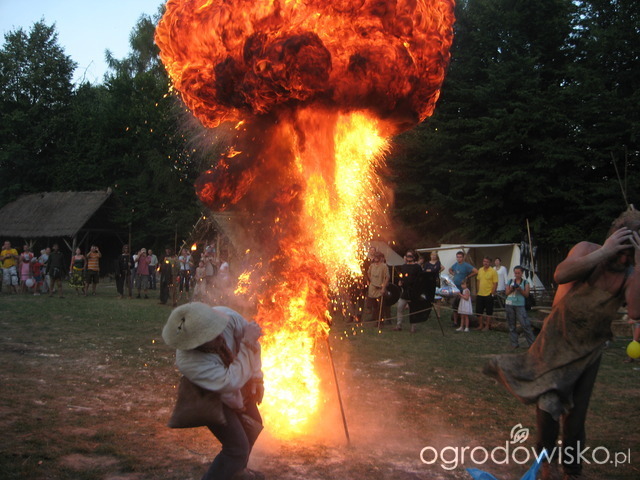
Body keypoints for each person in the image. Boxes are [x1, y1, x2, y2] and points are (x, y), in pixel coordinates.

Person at [485, 208, 640, 480]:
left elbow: (637, 310)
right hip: (556, 342)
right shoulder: (588, 250)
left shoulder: (630, 273)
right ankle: (546, 463)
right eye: (621, 251)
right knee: (548, 407)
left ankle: (572, 470)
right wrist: (605, 252)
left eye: (631, 253)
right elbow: (561, 274)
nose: (624, 258)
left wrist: (639, 264)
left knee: (576, 416)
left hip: (588, 352)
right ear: (612, 239)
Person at [162, 302, 265, 480]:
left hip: (235, 375)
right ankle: (231, 466)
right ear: (195, 342)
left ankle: (236, 471)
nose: (218, 334)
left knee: (253, 423)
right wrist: (247, 344)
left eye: (216, 328)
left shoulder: (227, 317)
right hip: (209, 393)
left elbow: (253, 341)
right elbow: (229, 382)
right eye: (210, 334)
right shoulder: (190, 362)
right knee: (236, 447)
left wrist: (257, 377)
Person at [505, 266, 536, 349]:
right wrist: (511, 289)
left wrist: (520, 289)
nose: (517, 274)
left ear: (522, 273)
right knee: (511, 325)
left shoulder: (525, 282)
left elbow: (526, 295)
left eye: (518, 273)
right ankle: (514, 343)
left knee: (525, 325)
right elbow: (506, 293)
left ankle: (532, 344)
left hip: (520, 305)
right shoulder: (510, 281)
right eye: (515, 273)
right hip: (509, 304)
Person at [394, 250, 423, 332]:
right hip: (405, 291)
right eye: (407, 256)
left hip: (414, 291)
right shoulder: (404, 266)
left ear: (413, 257)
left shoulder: (417, 267)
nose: (409, 258)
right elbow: (402, 276)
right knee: (399, 307)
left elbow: (420, 278)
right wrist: (400, 281)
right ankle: (399, 325)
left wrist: (418, 290)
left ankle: (413, 327)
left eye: (410, 256)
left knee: (413, 310)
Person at [449, 251, 478, 327]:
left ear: (463, 257)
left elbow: (476, 271)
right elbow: (450, 269)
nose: (458, 258)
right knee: (455, 306)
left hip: (463, 289)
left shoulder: (466, 265)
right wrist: (453, 274)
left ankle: (464, 323)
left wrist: (468, 276)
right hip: (455, 288)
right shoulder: (456, 264)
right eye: (457, 257)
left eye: (460, 257)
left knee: (462, 306)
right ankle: (455, 322)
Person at [365, 251, 390, 323]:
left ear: (380, 258)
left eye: (377, 257)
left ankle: (380, 321)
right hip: (372, 288)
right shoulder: (372, 266)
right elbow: (368, 273)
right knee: (374, 306)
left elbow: (387, 277)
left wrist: (383, 288)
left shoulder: (384, 266)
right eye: (375, 257)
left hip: (380, 288)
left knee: (381, 306)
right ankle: (376, 319)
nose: (376, 258)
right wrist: (372, 281)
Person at [475, 256, 498, 331]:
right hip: (480, 294)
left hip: (488, 294)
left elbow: (495, 283)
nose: (485, 263)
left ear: (490, 263)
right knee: (479, 311)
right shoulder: (480, 270)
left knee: (489, 311)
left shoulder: (493, 271)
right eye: (484, 261)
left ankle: (487, 326)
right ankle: (480, 325)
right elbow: (478, 280)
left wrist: (492, 293)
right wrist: (477, 291)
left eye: (487, 262)